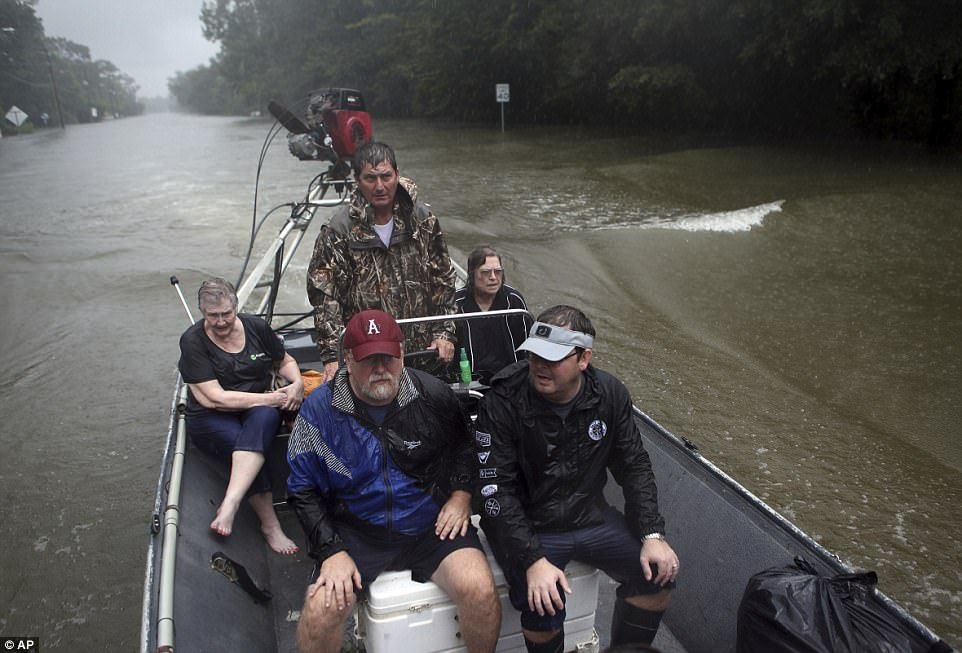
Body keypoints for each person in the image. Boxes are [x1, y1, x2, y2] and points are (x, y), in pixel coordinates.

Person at [287, 309, 501, 653]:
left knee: (481, 591)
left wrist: (461, 495)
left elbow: (465, 448)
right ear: (348, 360)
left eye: (388, 357)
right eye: (368, 360)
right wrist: (331, 550)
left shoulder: (433, 394)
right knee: (320, 612)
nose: (380, 369)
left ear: (401, 353)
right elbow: (302, 489)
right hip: (356, 531)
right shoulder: (319, 410)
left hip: (430, 526)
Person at [476, 305, 679, 652]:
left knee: (658, 578)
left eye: (552, 358)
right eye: (534, 355)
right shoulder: (503, 400)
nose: (539, 366)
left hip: (589, 516)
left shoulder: (610, 395)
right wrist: (531, 559)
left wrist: (651, 533)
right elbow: (495, 491)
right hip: (530, 525)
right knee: (544, 603)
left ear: (584, 359)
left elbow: (634, 466)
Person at [306, 141, 458, 382]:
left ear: (397, 175)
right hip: (369, 356)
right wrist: (332, 357)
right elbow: (325, 297)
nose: (379, 186)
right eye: (370, 178)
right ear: (357, 180)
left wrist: (444, 333)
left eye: (386, 176)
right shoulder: (338, 230)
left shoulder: (422, 220)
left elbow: (443, 279)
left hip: (423, 351)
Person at [177, 277, 303, 554]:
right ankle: (267, 523)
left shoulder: (256, 327)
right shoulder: (192, 341)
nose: (221, 321)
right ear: (203, 312)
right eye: (213, 316)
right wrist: (271, 399)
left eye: (226, 313)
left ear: (236, 307)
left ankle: (231, 502)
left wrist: (296, 384)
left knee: (265, 419)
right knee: (241, 440)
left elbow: (284, 361)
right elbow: (216, 398)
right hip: (212, 415)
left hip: (257, 407)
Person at [454, 245, 533, 384]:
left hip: (508, 380)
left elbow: (527, 346)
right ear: (472, 274)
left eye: (498, 272)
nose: (493, 277)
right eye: (485, 272)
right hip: (469, 381)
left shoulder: (513, 301)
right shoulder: (457, 303)